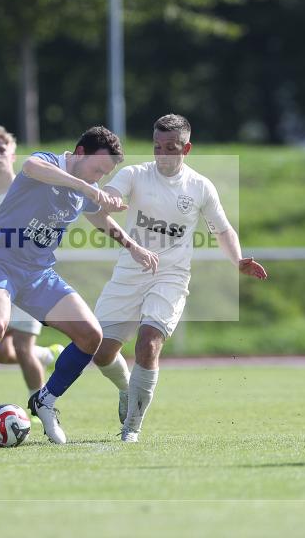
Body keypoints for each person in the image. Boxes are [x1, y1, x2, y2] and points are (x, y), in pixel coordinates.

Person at [0, 126, 158, 444]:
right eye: (97, 169)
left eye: (104, 174)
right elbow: (30, 167)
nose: (99, 178)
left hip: (39, 275)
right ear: (79, 153)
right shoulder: (48, 162)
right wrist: (88, 188)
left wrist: (133, 246)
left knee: (91, 335)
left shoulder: (86, 187)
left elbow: (99, 218)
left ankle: (45, 401)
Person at [91, 113, 268, 442]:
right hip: (129, 273)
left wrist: (238, 260)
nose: (162, 154)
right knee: (99, 351)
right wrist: (109, 200)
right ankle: (125, 388)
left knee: (148, 343)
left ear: (186, 149)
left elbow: (223, 229)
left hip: (171, 276)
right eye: (157, 146)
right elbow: (108, 197)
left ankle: (131, 427)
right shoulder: (135, 174)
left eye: (171, 147)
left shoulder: (200, 186)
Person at [0, 125, 65, 400]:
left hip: (27, 274)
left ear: (13, 155)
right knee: (1, 351)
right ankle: (46, 355)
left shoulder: (28, 188)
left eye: (3, 149)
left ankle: (40, 407)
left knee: (23, 346)